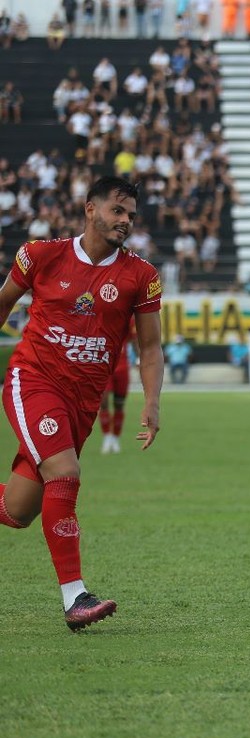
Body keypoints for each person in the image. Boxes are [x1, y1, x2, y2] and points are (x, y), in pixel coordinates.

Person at [0, 176, 163, 632]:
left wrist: (152, 402)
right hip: (33, 381)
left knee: (18, 511)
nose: (126, 221)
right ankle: (75, 597)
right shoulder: (41, 255)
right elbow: (3, 304)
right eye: (118, 210)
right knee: (66, 474)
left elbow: (150, 349)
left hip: (82, 402)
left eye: (131, 214)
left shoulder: (141, 276)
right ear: (90, 209)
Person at [97, 321, 136, 454]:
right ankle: (107, 437)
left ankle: (115, 438)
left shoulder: (129, 320)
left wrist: (139, 359)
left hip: (122, 367)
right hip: (104, 367)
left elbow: (134, 339)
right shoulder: (101, 315)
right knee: (104, 402)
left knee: (119, 404)